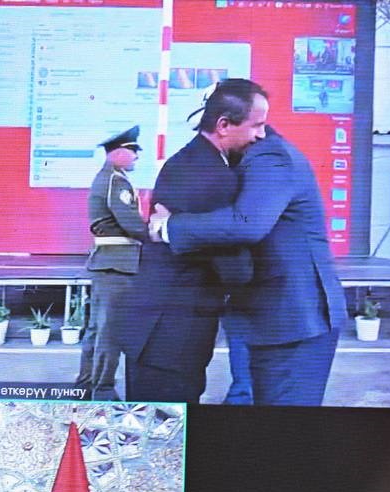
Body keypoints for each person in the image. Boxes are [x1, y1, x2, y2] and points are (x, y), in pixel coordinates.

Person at [153, 111, 347, 405]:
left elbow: (245, 224)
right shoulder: (251, 160)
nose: (211, 146)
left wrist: (170, 226)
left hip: (294, 320)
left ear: (229, 125)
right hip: (269, 314)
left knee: (285, 422)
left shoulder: (271, 157)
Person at [111, 81, 256, 403]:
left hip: (154, 328)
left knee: (149, 419)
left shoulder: (188, 160)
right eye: (255, 126)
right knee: (166, 424)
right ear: (223, 125)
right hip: (172, 334)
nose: (259, 136)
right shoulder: (214, 176)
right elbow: (235, 267)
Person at [75, 125, 147, 401]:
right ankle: (103, 389)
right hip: (117, 264)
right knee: (110, 330)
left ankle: (86, 384)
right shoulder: (115, 181)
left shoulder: (108, 178)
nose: (137, 156)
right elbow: (130, 222)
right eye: (133, 151)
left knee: (97, 328)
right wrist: (155, 233)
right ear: (117, 153)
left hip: (108, 263)